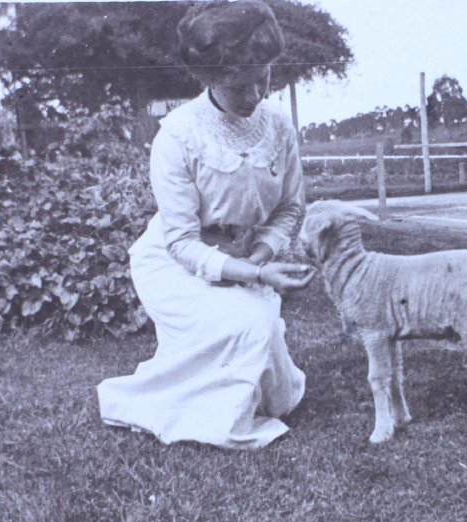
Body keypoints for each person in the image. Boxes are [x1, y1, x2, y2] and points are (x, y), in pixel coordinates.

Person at [97, 0, 315, 449]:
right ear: (210, 79)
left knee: (279, 396)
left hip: (244, 258)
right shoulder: (178, 135)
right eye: (240, 87)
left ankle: (232, 387)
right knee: (251, 324)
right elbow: (180, 242)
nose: (254, 96)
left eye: (263, 79)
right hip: (174, 266)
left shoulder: (279, 127)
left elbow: (290, 207)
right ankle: (170, 404)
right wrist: (255, 276)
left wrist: (258, 259)